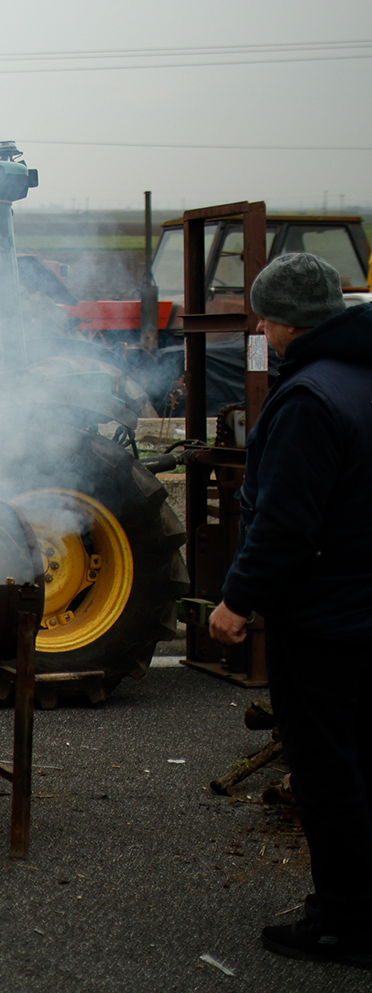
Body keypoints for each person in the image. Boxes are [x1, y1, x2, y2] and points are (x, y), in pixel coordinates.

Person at [208, 252, 372, 969]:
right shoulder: (362, 377)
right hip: (363, 610)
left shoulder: (309, 398)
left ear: (278, 322)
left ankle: (345, 923)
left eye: (262, 319)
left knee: (328, 773)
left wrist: (237, 600)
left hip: (326, 621)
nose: (261, 331)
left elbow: (284, 523)